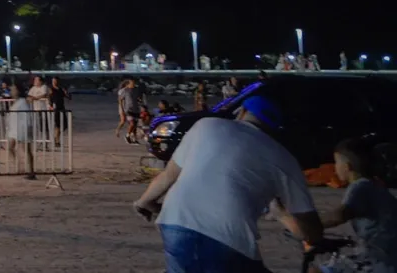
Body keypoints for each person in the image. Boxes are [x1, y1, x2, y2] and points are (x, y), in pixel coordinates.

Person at [134, 95, 322, 272]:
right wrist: (284, 217)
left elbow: (168, 175)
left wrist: (144, 202)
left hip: (175, 224)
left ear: (241, 112)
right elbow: (309, 226)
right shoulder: (284, 158)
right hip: (228, 237)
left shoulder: (206, 126)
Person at [293, 137, 396, 273]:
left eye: (336, 163)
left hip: (380, 261)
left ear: (347, 167)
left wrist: (311, 223)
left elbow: (339, 215)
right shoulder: (376, 186)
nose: (335, 168)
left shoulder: (360, 186)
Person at [7, 80, 36, 179]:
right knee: (11, 147)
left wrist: (28, 128)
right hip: (15, 129)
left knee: (27, 150)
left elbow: (26, 115)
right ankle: (19, 167)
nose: (11, 91)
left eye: (13, 90)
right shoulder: (17, 102)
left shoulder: (22, 102)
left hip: (23, 129)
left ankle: (31, 171)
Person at [49, 75, 70, 147]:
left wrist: (66, 92)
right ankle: (57, 140)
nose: (54, 82)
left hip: (61, 107)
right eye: (53, 81)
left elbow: (68, 97)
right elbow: (49, 98)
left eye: (55, 81)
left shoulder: (61, 89)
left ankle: (56, 138)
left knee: (64, 125)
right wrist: (50, 105)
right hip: (55, 108)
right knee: (58, 125)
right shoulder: (51, 89)